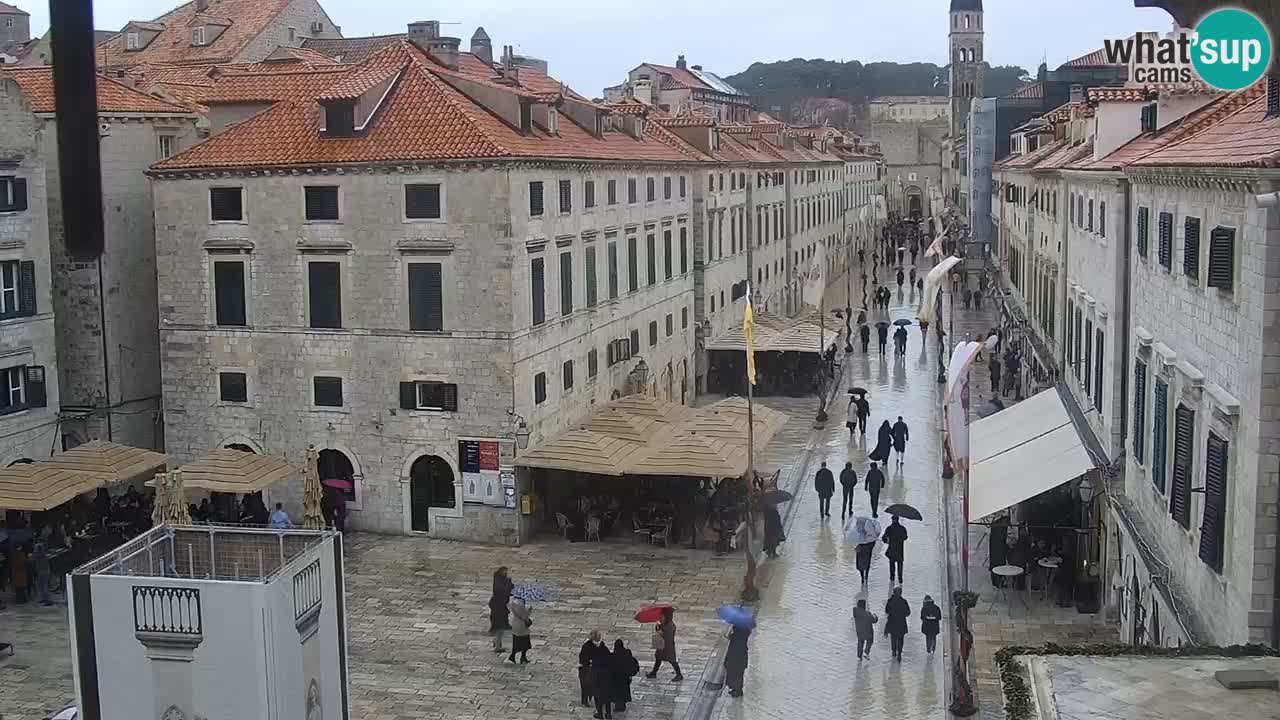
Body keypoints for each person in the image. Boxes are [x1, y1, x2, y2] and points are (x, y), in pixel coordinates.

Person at [647, 607, 683, 681]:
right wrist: (658, 627)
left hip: (667, 646)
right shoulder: (663, 622)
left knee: (672, 660)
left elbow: (668, 637)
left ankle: (679, 674)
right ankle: (654, 673)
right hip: (661, 645)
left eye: (663, 615)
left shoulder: (670, 625)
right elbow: (659, 630)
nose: (661, 617)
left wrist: (661, 633)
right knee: (658, 658)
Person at [588, 632, 614, 718]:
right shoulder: (605, 649)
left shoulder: (595, 656)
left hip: (598, 683)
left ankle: (600, 714)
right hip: (607, 681)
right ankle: (608, 714)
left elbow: (593, 674)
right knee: (607, 700)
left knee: (598, 700)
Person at [610, 639, 639, 712]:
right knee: (624, 691)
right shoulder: (627, 653)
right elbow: (632, 662)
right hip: (625, 678)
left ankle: (619, 706)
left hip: (616, 679)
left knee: (617, 693)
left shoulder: (613, 656)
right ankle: (622, 704)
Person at [490, 566, 513, 652]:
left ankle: (496, 642)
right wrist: (508, 584)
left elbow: (509, 590)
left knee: (501, 628)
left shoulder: (502, 580)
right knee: (500, 627)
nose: (506, 573)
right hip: (498, 607)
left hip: (501, 606)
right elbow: (501, 591)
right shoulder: (499, 581)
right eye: (504, 572)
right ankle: (497, 646)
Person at [723, 625, 751, 697]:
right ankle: (736, 688)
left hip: (736, 653)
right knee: (737, 671)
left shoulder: (741, 631)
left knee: (736, 671)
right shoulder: (746, 628)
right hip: (740, 652)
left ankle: (737, 690)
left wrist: (730, 636)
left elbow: (735, 638)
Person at [885, 587, 911, 661]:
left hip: (892, 622)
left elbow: (887, 611)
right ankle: (899, 653)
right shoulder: (904, 601)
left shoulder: (890, 601)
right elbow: (908, 613)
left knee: (893, 638)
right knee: (900, 639)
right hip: (901, 623)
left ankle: (894, 651)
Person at [579, 630, 603, 708]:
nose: (598, 641)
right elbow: (583, 659)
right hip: (586, 670)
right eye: (597, 640)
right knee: (585, 686)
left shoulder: (597, 646)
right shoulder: (586, 647)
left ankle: (589, 698)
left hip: (593, 670)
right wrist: (591, 661)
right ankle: (585, 701)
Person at [508, 594, 533, 664]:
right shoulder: (520, 604)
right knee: (524, 642)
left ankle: (521, 657)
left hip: (515, 623)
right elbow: (524, 616)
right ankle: (519, 656)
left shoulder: (513, 601)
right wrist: (529, 610)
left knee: (516, 640)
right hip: (521, 625)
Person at [883, 516, 908, 584]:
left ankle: (892, 577)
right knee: (900, 564)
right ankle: (900, 578)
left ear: (892, 520)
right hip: (900, 549)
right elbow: (905, 537)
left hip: (892, 549)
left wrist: (887, 541)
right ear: (898, 520)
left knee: (892, 564)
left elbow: (884, 538)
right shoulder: (902, 528)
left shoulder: (889, 528)